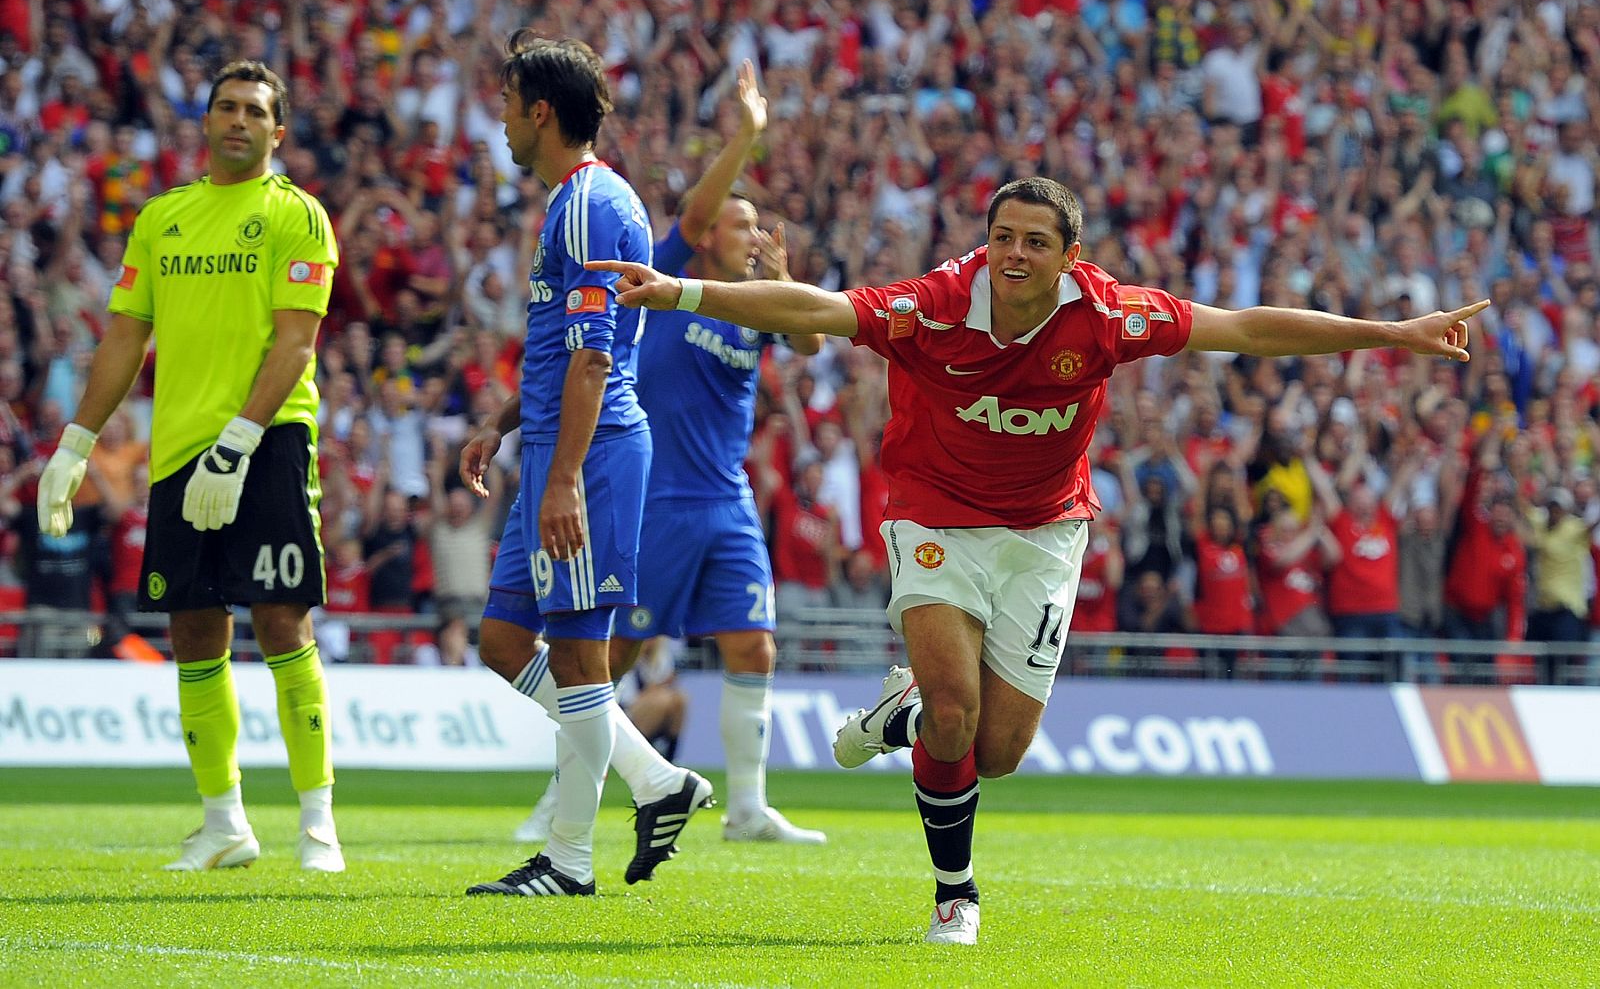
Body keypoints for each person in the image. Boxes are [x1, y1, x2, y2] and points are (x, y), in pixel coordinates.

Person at [589, 176, 1487, 945]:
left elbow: (1245, 329)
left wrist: (1392, 332)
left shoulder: (1106, 314)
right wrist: (678, 291)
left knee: (997, 750)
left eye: (1033, 242)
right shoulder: (936, 303)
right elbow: (816, 309)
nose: (1011, 253)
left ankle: (904, 716)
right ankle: (955, 893)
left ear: (1070, 254)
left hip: (1046, 536)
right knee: (955, 708)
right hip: (935, 515)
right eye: (1001, 237)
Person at [34, 61, 343, 873]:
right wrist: (75, 443)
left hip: (270, 440)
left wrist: (237, 442)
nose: (238, 120)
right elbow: (126, 340)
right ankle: (224, 823)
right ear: (205, 124)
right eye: (225, 108)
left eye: (255, 110)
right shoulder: (161, 220)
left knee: (283, 620)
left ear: (278, 132)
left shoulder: (299, 217)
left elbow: (296, 342)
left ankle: (317, 825)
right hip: (176, 452)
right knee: (194, 632)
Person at [515, 61, 828, 847]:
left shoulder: (752, 309)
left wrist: (786, 282)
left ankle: (748, 808)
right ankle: (562, 799)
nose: (750, 233)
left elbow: (811, 339)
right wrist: (749, 133)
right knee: (608, 655)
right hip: (659, 498)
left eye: (756, 224)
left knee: (754, 642)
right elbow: (692, 210)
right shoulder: (669, 277)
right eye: (738, 221)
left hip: (727, 501)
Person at [457, 31, 709, 900]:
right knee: (501, 640)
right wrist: (502, 425)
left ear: (540, 111)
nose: (498, 120)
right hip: (559, 448)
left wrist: (561, 476)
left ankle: (567, 861)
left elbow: (596, 358)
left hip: (592, 456)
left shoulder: (591, 204)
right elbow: (558, 346)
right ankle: (656, 782)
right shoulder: (576, 202)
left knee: (577, 658)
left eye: (506, 103)